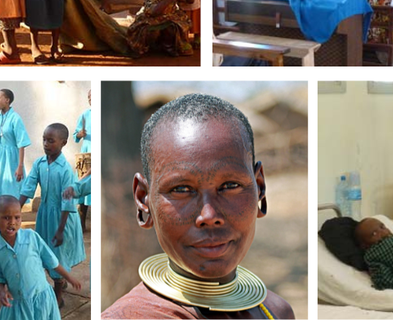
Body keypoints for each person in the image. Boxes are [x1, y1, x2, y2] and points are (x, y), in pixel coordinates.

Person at [102, 94, 295, 319]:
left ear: (259, 188)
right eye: (182, 189)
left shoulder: (275, 311)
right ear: (144, 200)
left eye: (230, 185)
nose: (209, 215)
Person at [19, 123, 86, 307]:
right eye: (44, 140)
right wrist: (16, 207)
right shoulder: (39, 164)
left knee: (58, 256)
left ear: (63, 143)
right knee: (44, 252)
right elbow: (29, 186)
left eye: (51, 140)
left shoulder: (65, 169)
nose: (46, 144)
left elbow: (67, 202)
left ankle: (57, 295)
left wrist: (61, 229)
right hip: (45, 215)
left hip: (62, 218)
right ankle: (58, 282)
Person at [0, 196, 82, 320]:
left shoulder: (31, 237)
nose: (12, 222)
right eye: (6, 218)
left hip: (41, 299)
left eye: (17, 217)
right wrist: (1, 291)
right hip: (17, 303)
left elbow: (51, 261)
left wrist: (69, 278)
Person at [127, 0, 194, 57]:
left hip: (170, 18)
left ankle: (167, 45)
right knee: (151, 31)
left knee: (173, 27)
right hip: (153, 20)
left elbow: (190, 0)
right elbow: (154, 12)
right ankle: (153, 44)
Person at [0, 89, 32, 199]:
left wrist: (20, 166)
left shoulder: (16, 118)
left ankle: (14, 212)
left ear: (7, 100)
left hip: (12, 158)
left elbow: (21, 143)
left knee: (12, 186)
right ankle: (2, 212)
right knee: (0, 185)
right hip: (0, 158)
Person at [74, 90, 91, 230]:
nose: (90, 98)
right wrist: (80, 134)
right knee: (83, 183)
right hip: (86, 153)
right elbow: (76, 135)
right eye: (89, 96)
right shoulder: (85, 115)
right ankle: (82, 222)